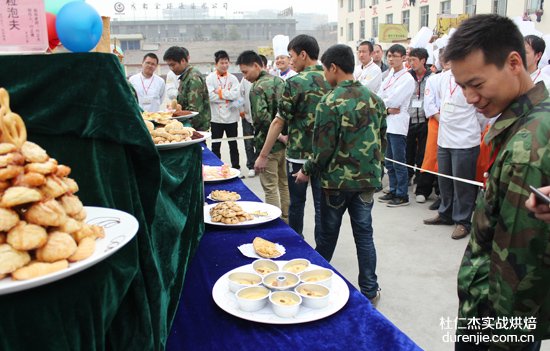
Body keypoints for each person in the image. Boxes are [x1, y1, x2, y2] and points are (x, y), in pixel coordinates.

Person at [445, 14, 549, 349]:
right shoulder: (528, 121)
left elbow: (517, 264)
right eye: (462, 86)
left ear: (514, 62)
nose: (470, 98)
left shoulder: (527, 144)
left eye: (476, 84)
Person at [293, 44, 386, 306]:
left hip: (336, 183)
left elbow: (322, 149)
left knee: (327, 235)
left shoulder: (330, 102)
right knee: (364, 235)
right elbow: (382, 140)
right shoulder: (375, 100)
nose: (324, 75)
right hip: (366, 182)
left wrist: (305, 171)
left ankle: (314, 283)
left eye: (324, 69)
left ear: (333, 68)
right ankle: (370, 289)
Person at [255, 34, 331, 240]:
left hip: (299, 156)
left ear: (303, 55)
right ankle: (321, 250)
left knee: (296, 204)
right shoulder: (332, 79)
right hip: (325, 157)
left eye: (292, 56)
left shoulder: (295, 82)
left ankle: (297, 243)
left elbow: (278, 122)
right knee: (321, 206)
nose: (290, 60)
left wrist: (263, 154)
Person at [422, 48, 485, 240]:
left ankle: (463, 221)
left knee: (463, 184)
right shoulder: (441, 78)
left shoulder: (472, 78)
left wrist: (471, 128)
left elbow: (481, 114)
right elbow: (434, 103)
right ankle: (445, 213)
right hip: (445, 138)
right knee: (445, 180)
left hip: (465, 139)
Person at [236, 50, 289, 222]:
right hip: (284, 144)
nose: (244, 77)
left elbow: (261, 119)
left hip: (268, 144)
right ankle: (288, 220)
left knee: (270, 187)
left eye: (245, 72)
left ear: (257, 66)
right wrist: (283, 135)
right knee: (283, 184)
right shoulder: (280, 81)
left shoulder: (257, 88)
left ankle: (275, 222)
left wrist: (275, 136)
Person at [377, 44, 415, 207]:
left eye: (395, 56)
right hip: (388, 122)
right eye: (389, 56)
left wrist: (384, 105)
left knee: (399, 161)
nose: (391, 59)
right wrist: (385, 108)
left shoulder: (407, 78)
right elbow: (379, 96)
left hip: (398, 125)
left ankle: (402, 194)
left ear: (403, 58)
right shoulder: (390, 75)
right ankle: (393, 189)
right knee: (389, 161)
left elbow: (395, 100)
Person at [206, 50, 241, 170]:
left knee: (233, 144)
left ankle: (236, 167)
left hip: (231, 117)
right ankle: (216, 167)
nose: (225, 65)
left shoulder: (233, 78)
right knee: (216, 145)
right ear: (216, 64)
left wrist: (220, 93)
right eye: (222, 63)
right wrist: (227, 96)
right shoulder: (210, 78)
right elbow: (210, 96)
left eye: (226, 63)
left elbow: (236, 95)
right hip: (216, 118)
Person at [163, 46, 211, 131]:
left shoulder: (193, 78)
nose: (171, 68)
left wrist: (175, 116)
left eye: (173, 65)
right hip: (188, 126)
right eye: (169, 65)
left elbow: (194, 111)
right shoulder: (185, 76)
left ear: (183, 61)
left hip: (195, 128)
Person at [406, 48, 432, 203]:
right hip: (408, 120)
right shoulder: (406, 76)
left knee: (423, 156)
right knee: (406, 153)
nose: (411, 63)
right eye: (409, 60)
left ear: (423, 60)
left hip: (425, 121)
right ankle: (406, 180)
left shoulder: (433, 78)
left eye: (414, 60)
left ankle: (421, 187)